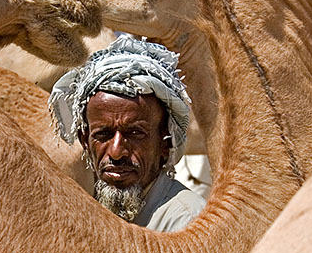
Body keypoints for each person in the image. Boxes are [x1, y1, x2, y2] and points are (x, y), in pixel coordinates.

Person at [49, 36, 206, 231]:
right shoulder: (84, 213)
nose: (116, 153)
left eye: (134, 134)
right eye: (103, 134)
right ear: (85, 141)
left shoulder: (187, 224)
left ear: (165, 143)